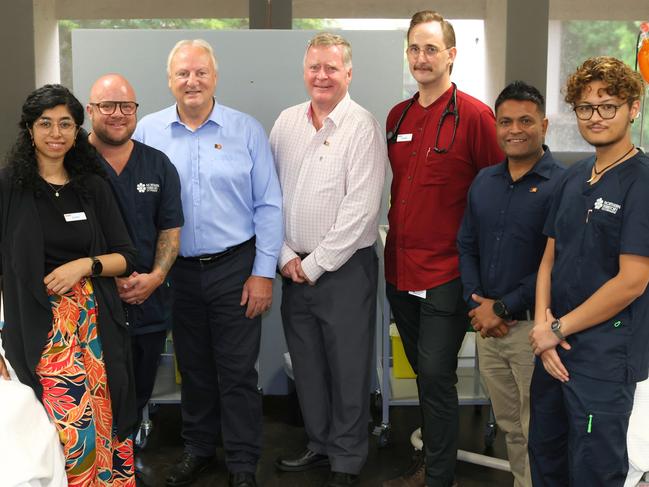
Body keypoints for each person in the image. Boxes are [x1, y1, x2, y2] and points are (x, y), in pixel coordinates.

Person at [134, 39, 283, 487]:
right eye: (183, 74)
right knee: (193, 367)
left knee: (237, 371)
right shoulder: (148, 131)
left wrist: (263, 272)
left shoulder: (246, 130)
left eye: (200, 72)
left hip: (235, 269)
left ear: (215, 77)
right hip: (175, 272)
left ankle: (241, 462)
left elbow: (269, 206)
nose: (192, 81)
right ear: (170, 80)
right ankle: (198, 449)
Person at [382, 11, 503, 487]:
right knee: (423, 376)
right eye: (414, 48)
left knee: (435, 375)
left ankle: (439, 476)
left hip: (447, 274)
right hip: (400, 271)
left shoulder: (475, 116)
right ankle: (433, 464)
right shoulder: (399, 116)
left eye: (431, 48)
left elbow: (497, 196)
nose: (422, 57)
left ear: (451, 55)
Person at [0, 84, 137, 486]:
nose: (55, 133)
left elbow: (128, 256)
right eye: (45, 124)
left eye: (66, 124)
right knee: (69, 432)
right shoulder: (8, 188)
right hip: (39, 330)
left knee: (108, 420)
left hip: (97, 327)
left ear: (77, 130)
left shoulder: (92, 185)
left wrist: (84, 265)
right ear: (29, 130)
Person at [270, 32, 387, 487]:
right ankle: (319, 444)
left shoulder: (363, 126)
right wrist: (284, 257)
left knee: (348, 366)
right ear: (305, 71)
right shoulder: (285, 123)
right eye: (315, 67)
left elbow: (361, 211)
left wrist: (313, 265)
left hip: (343, 271)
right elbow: (269, 197)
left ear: (348, 73)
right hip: (291, 267)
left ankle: (347, 457)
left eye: (332, 68)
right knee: (308, 365)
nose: (322, 76)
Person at [528, 56, 649, 486]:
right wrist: (544, 327)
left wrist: (556, 329)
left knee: (595, 471)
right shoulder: (572, 177)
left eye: (608, 106)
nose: (595, 117)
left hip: (603, 360)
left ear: (633, 107)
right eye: (585, 107)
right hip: (552, 353)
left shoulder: (641, 182)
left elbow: (633, 281)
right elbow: (548, 259)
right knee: (546, 457)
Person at [457, 81, 565, 487]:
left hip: (532, 332)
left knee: (538, 429)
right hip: (488, 329)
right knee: (510, 428)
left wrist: (500, 308)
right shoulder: (484, 181)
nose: (514, 129)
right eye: (505, 121)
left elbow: (554, 264)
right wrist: (476, 301)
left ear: (544, 125)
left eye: (525, 120)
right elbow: (466, 244)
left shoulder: (563, 185)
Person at [87, 74, 184, 483]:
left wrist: (156, 277)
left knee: (137, 392)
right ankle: (96, 471)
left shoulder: (157, 164)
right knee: (93, 398)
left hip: (147, 304)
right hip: (91, 308)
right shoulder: (70, 165)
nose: (117, 114)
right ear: (90, 111)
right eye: (107, 105)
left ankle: (123, 468)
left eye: (126, 106)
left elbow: (170, 230)